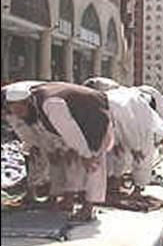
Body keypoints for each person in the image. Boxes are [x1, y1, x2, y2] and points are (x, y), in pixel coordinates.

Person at [4, 82, 114, 220]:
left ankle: (88, 207)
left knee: (93, 163)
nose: (18, 114)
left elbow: (70, 131)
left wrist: (85, 154)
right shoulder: (31, 107)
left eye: (19, 110)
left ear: (27, 103)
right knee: (65, 159)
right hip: (71, 123)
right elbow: (33, 129)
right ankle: (68, 200)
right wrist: (43, 148)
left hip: (92, 120)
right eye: (14, 111)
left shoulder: (51, 104)